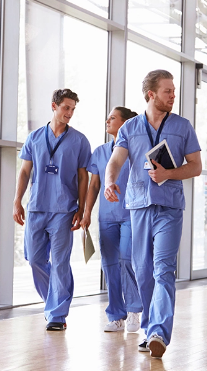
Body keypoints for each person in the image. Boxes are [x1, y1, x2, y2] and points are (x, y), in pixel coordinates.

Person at [104, 70, 202, 358]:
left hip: (170, 208)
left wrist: (169, 173)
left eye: (173, 91)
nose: (173, 96)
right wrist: (110, 181)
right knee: (144, 272)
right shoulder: (130, 128)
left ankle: (159, 330)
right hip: (138, 207)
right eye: (168, 91)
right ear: (151, 94)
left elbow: (195, 166)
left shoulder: (183, 127)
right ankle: (149, 329)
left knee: (163, 269)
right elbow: (115, 161)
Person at [13, 88, 91, 331]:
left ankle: (57, 314)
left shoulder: (79, 140)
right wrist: (17, 200)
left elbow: (83, 177)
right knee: (35, 259)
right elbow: (25, 171)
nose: (69, 113)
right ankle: (53, 302)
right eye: (66, 107)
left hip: (64, 209)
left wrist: (81, 207)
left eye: (73, 109)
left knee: (59, 262)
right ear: (54, 106)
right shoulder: (34, 138)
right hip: (37, 207)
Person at [81, 107, 143, 333]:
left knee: (127, 259)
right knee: (109, 265)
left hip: (131, 214)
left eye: (113, 117)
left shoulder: (136, 150)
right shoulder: (99, 152)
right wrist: (87, 213)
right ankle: (116, 314)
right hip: (106, 217)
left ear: (126, 123)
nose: (107, 120)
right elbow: (94, 185)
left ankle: (135, 310)